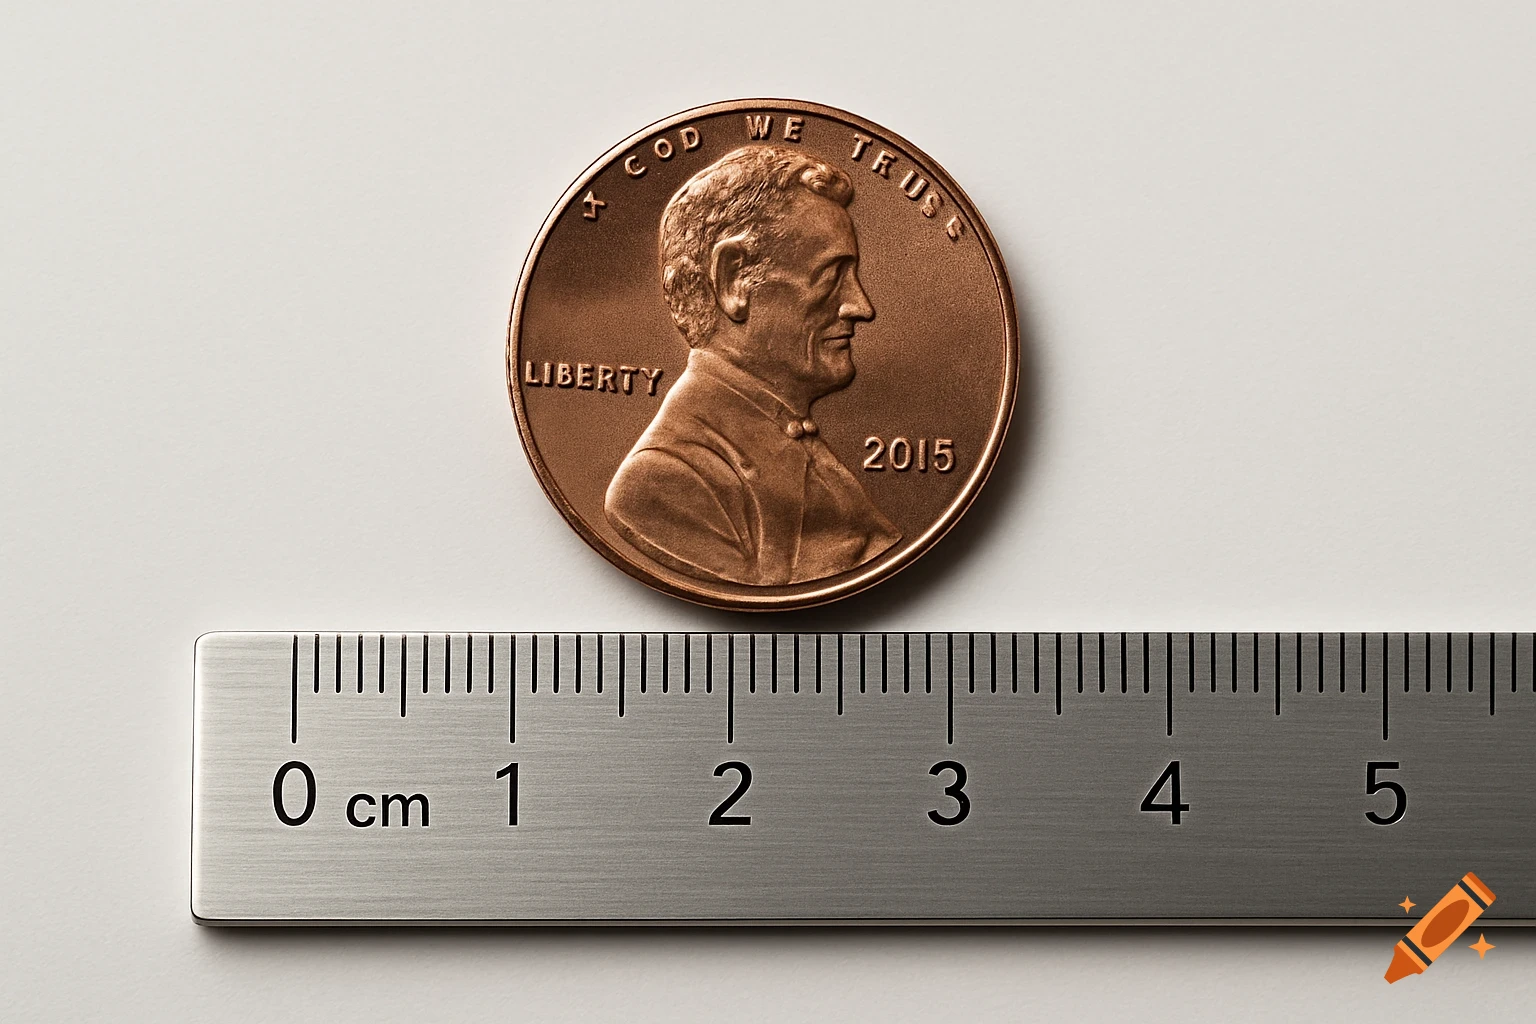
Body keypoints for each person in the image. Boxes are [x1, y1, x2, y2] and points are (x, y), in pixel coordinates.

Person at [605, 144, 901, 586]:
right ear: (734, 280)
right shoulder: (661, 482)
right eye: (831, 276)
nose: (861, 306)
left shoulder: (791, 440)